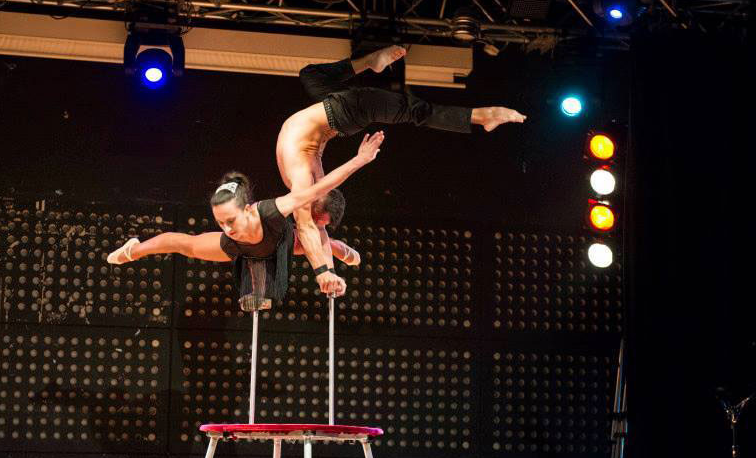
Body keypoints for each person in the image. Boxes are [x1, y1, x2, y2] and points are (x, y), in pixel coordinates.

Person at [276, 45, 527, 296]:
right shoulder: (312, 185)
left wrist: (324, 273)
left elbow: (310, 228)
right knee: (403, 107)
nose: (311, 221)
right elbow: (313, 228)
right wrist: (327, 273)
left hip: (345, 110)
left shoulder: (303, 180)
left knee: (313, 76)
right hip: (338, 114)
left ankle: (373, 62)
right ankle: (479, 115)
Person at [106, 132, 384, 301]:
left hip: (280, 241)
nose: (226, 228)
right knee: (184, 244)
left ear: (249, 209)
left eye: (231, 221)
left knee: (311, 241)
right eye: (220, 222)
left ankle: (337, 247)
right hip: (244, 249)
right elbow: (178, 241)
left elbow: (322, 187)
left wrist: (360, 160)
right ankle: (134, 249)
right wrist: (134, 252)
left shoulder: (273, 210)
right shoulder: (230, 238)